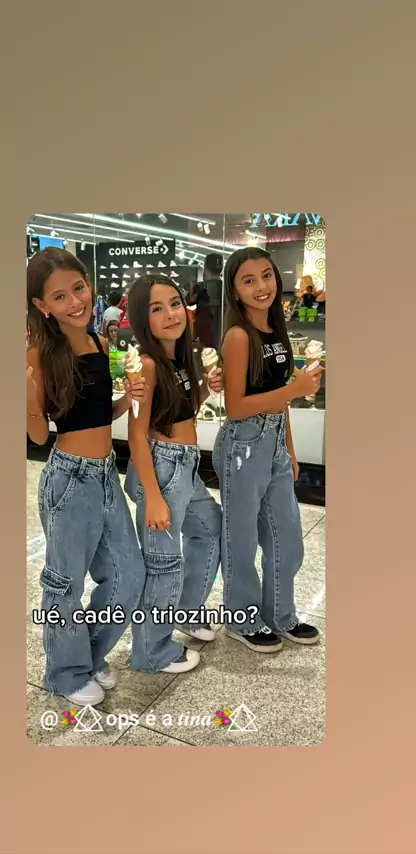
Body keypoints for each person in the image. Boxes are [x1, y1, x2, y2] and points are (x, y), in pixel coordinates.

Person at [26, 248, 147, 706]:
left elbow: (96, 414)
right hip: (69, 479)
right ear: (42, 305)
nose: (75, 301)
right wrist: (27, 396)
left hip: (105, 475)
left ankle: (89, 655)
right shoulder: (40, 353)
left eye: (78, 288)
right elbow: (40, 435)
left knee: (128, 573)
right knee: (65, 583)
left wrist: (127, 399)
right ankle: (64, 672)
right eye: (60, 296)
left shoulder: (96, 340)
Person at [212, 247, 324, 653]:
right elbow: (236, 406)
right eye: (249, 280)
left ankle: (280, 614)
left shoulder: (276, 330)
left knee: (287, 536)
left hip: (273, 442)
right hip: (243, 445)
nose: (261, 286)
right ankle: (241, 618)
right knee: (241, 540)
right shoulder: (239, 336)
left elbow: (280, 400)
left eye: (266, 276)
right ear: (235, 290)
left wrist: (289, 450)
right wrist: (294, 389)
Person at [124, 275, 223, 674]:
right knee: (162, 561)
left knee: (211, 528)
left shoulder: (179, 359)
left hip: (185, 466)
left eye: (175, 303)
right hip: (162, 468)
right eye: (157, 308)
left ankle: (185, 610)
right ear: (142, 318)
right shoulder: (146, 365)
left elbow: (181, 411)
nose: (171, 314)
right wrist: (153, 496)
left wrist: (207, 388)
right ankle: (152, 651)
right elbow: (136, 433)